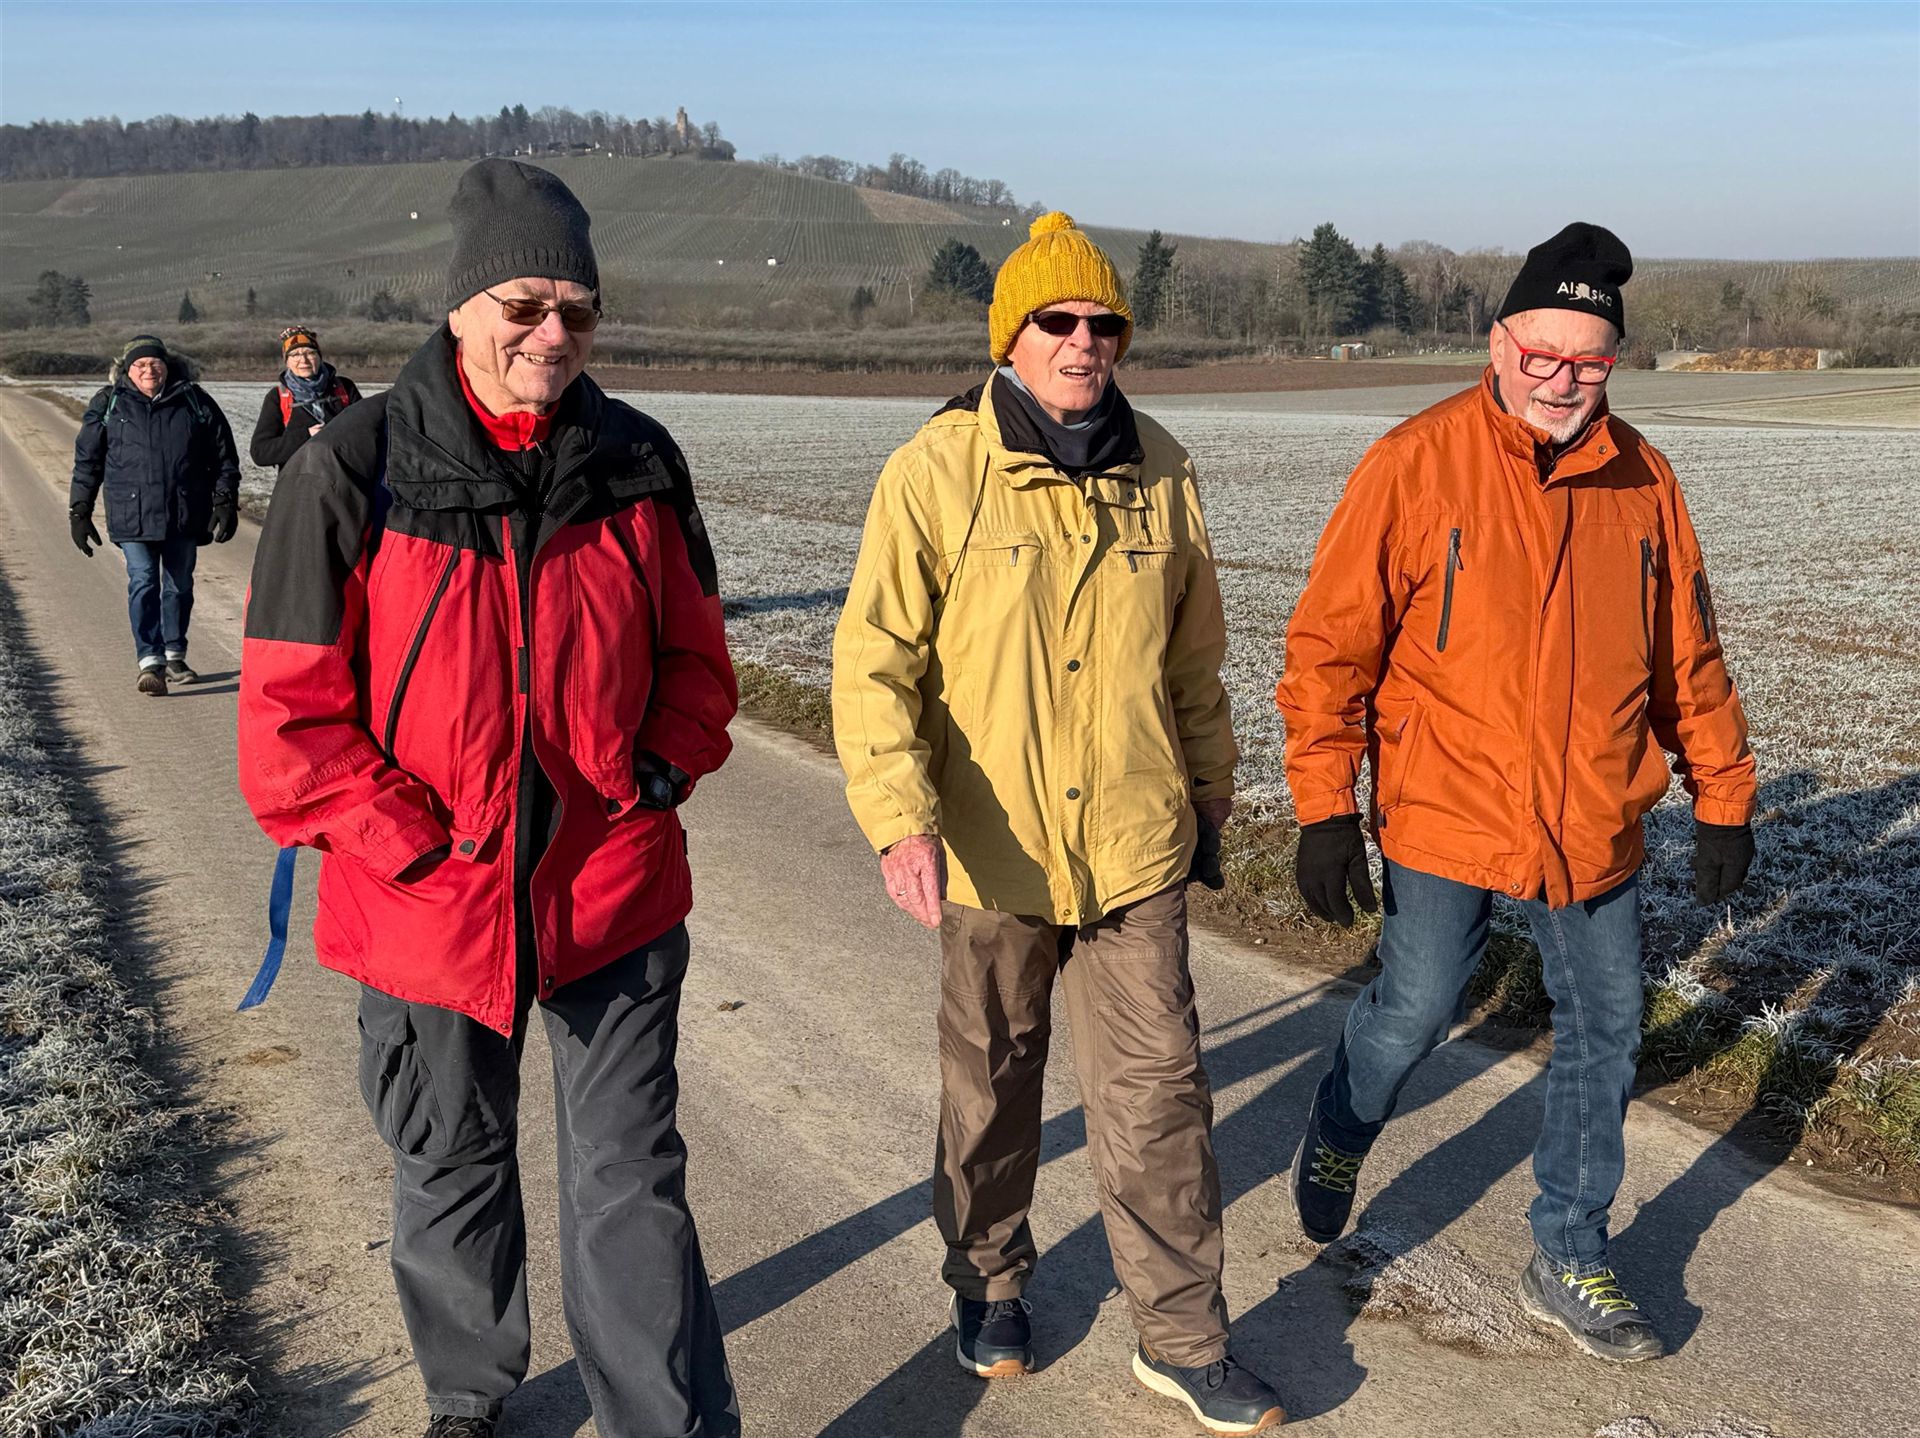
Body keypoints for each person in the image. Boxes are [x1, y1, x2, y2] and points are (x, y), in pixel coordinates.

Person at [236, 159, 739, 1438]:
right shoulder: (350, 470)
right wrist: (414, 843)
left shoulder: (639, 461)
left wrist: (655, 774)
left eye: (578, 310)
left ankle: (664, 1422)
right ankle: (469, 1395)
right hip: (428, 902)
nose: (552, 335)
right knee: (449, 1162)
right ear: (462, 307)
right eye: (525, 305)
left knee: (631, 1181)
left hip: (611, 892)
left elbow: (698, 663)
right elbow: (291, 723)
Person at [832, 213, 1284, 1436]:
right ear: (1012, 337)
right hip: (995, 851)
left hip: (1134, 845)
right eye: (1059, 322)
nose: (1085, 342)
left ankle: (1184, 1338)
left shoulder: (1164, 468)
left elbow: (1193, 661)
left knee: (1160, 1095)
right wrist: (900, 818)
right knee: (992, 1082)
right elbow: (875, 662)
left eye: (1104, 324)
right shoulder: (938, 470)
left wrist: (1211, 789)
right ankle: (989, 1282)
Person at [1274, 222, 1757, 1363]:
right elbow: (1330, 648)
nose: (1562, 381)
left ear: (1612, 363)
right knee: (1415, 1008)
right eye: (1542, 354)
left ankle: (1569, 1247)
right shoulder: (1415, 463)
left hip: (1594, 816)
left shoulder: (1643, 480)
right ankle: (1342, 1119)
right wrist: (1324, 804)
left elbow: (1687, 655)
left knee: (1608, 1024)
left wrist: (1724, 795)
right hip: (1448, 805)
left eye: (1589, 360)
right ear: (1498, 345)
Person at [69, 333, 239, 693]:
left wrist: (225, 501)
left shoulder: (194, 400)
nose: (149, 370)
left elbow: (224, 457)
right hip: (132, 513)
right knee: (143, 580)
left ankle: (174, 654)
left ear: (167, 366)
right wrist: (80, 510)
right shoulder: (109, 403)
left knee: (179, 586)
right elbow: (88, 462)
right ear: (127, 370)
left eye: (155, 363)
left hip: (184, 512)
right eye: (140, 364)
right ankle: (150, 661)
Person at [248, 324, 362, 472]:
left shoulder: (344, 388)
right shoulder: (278, 397)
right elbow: (260, 453)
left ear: (319, 357)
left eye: (310, 353)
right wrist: (306, 436)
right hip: (298, 483)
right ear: (287, 361)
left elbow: (365, 433)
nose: (304, 360)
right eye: (295, 355)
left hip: (344, 480)